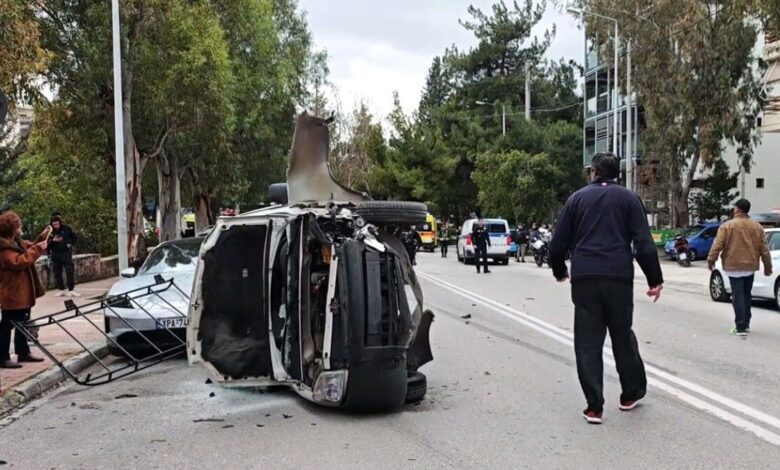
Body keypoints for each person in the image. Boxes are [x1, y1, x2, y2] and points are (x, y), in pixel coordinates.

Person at [549, 152, 663, 425]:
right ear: (617, 174)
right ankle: (630, 393)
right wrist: (654, 279)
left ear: (593, 173)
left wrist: (559, 271)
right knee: (623, 335)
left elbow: (557, 243)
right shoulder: (629, 199)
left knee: (587, 342)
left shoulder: (576, 199)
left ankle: (594, 407)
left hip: (586, 276)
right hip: (618, 276)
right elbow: (643, 243)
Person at [707, 199, 772, 336]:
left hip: (733, 265)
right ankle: (746, 322)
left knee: (737, 296)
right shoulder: (757, 227)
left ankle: (740, 326)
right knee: (747, 295)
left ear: (737, 209)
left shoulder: (727, 226)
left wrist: (711, 260)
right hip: (750, 265)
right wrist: (767, 266)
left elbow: (717, 245)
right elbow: (764, 249)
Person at [0, 211, 47, 368]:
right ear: (12, 228)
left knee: (23, 322)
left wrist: (40, 240)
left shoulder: (16, 242)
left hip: (21, 291)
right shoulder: (4, 248)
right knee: (7, 325)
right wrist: (37, 250)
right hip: (12, 292)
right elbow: (19, 262)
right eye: (18, 225)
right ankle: (3, 357)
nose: (21, 227)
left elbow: (30, 247)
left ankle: (23, 352)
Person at [48, 214, 80, 297]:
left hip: (65, 253)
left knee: (69, 271)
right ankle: (61, 289)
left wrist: (69, 243)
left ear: (60, 223)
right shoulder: (50, 232)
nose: (56, 226)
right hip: (55, 253)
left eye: (57, 224)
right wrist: (53, 241)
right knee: (57, 272)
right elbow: (46, 243)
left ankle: (71, 289)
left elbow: (74, 238)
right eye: (54, 225)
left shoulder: (66, 229)